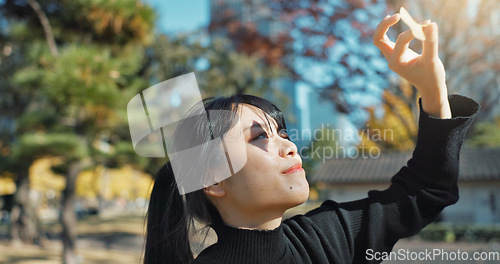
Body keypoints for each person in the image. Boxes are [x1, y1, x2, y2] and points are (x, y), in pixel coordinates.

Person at [143, 14, 480, 264]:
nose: (290, 147)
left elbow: (425, 191)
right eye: (260, 137)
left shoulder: (325, 237)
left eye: (284, 133)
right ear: (214, 180)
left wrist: (432, 89)